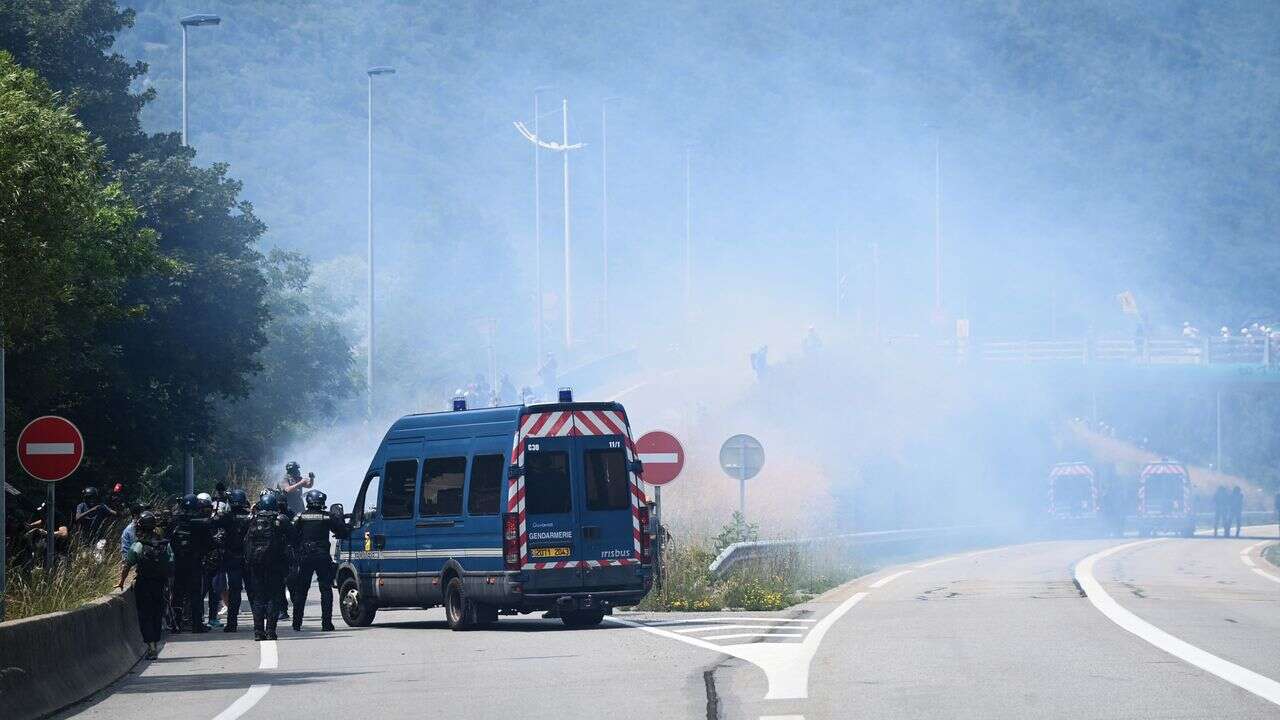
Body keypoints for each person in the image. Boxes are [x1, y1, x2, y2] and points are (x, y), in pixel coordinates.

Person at [290, 489, 350, 631]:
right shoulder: (326, 517)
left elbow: (291, 535)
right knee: (326, 590)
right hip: (322, 556)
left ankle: (296, 623)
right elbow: (342, 531)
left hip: (305, 556)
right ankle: (326, 624)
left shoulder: (300, 516)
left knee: (301, 590)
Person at [117, 511, 173, 660]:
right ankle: (155, 640)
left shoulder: (138, 545)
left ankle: (151, 646)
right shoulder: (164, 544)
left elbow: (128, 564)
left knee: (145, 614)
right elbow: (171, 563)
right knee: (156, 613)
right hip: (160, 584)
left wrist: (121, 582)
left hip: (143, 583)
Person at [244, 491, 291, 641]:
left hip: (256, 564)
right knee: (274, 597)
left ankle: (258, 632)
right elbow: (294, 535)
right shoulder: (280, 519)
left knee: (258, 598)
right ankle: (270, 631)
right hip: (275, 564)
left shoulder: (251, 519)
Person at [169, 494, 213, 632]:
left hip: (178, 563)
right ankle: (196, 625)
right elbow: (209, 543)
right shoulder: (200, 523)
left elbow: (167, 540)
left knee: (178, 593)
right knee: (195, 594)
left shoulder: (175, 521)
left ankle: (176, 624)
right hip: (195, 563)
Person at [213, 489, 252, 632]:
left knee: (235, 591)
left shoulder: (226, 517)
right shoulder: (250, 517)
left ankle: (232, 624)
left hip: (232, 559)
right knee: (252, 590)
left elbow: (213, 523)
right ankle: (259, 623)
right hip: (248, 558)